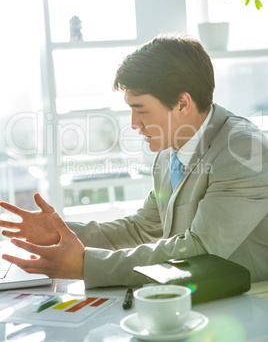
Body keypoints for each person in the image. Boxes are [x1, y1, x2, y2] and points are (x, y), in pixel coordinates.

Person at [0, 33, 267, 288]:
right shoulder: (169, 150)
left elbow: (202, 248)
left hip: (249, 300)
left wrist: (86, 265)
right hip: (200, 292)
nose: (133, 124)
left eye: (141, 110)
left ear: (183, 104)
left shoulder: (242, 149)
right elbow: (142, 229)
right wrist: (61, 233)